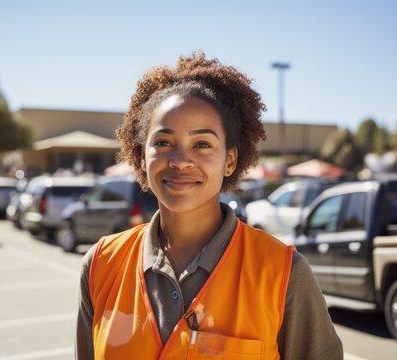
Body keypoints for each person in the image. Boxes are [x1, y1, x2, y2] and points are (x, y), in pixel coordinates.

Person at [75, 53, 343, 359]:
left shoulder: (284, 274)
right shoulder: (100, 265)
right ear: (140, 157)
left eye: (202, 144)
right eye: (163, 142)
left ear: (229, 160)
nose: (180, 161)